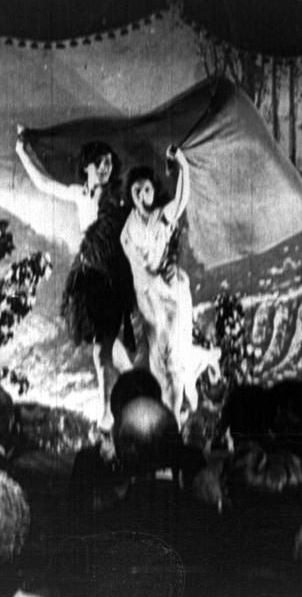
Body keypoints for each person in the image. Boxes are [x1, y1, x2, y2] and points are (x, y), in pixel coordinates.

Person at [16, 129, 135, 431]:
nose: (106, 166)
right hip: (87, 276)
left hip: (111, 275)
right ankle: (124, 392)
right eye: (100, 162)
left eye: (109, 162)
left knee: (103, 348)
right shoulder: (80, 193)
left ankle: (112, 405)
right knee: (101, 347)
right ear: (87, 166)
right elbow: (44, 183)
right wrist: (22, 152)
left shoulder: (119, 196)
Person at [120, 147, 194, 426]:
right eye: (137, 190)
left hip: (169, 295)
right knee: (157, 363)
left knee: (173, 358)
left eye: (147, 190)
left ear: (154, 192)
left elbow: (182, 198)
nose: (142, 195)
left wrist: (182, 165)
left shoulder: (162, 216)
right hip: (147, 299)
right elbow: (135, 269)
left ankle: (174, 419)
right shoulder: (127, 231)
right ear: (130, 195)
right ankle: (167, 419)